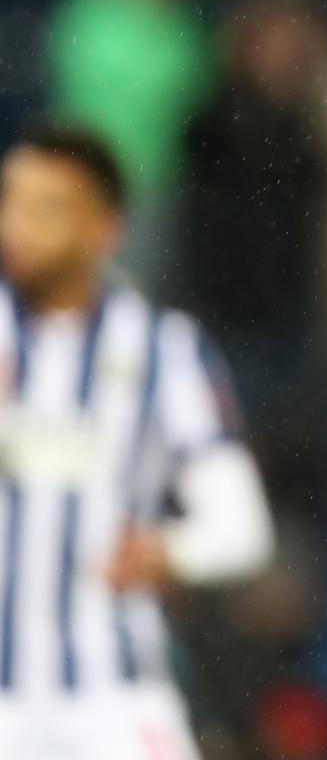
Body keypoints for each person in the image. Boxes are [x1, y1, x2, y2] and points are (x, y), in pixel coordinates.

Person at [0, 127, 274, 758]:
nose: (18, 225)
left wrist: (172, 552)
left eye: (46, 207)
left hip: (112, 696)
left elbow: (242, 529)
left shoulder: (163, 350)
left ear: (103, 230)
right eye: (11, 200)